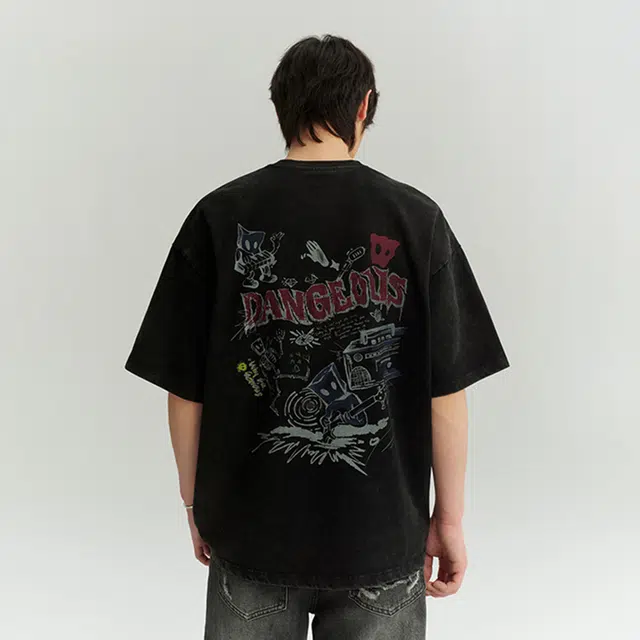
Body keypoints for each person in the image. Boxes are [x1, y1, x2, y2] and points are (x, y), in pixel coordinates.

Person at [125, 34, 509, 640]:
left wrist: (195, 503)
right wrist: (450, 520)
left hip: (250, 533)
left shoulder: (217, 216)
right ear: (364, 106)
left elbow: (184, 391)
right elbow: (446, 396)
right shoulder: (418, 219)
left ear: (280, 105)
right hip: (381, 538)